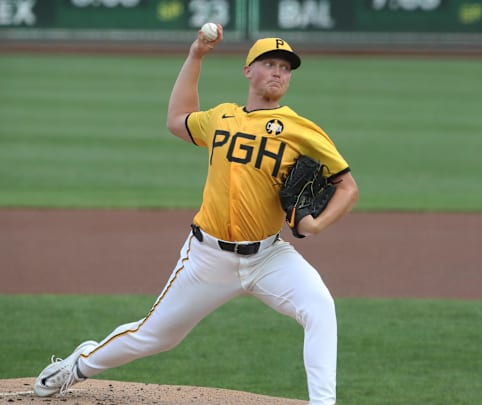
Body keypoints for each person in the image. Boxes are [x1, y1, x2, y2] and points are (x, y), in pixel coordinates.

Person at [33, 25, 358, 405]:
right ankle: (79, 364)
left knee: (320, 308)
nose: (278, 73)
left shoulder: (302, 130)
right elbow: (178, 119)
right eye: (269, 64)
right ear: (248, 71)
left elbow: (347, 186)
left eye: (285, 68)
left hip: (270, 256)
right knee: (156, 335)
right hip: (208, 258)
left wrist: (318, 223)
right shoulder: (221, 117)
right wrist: (196, 55)